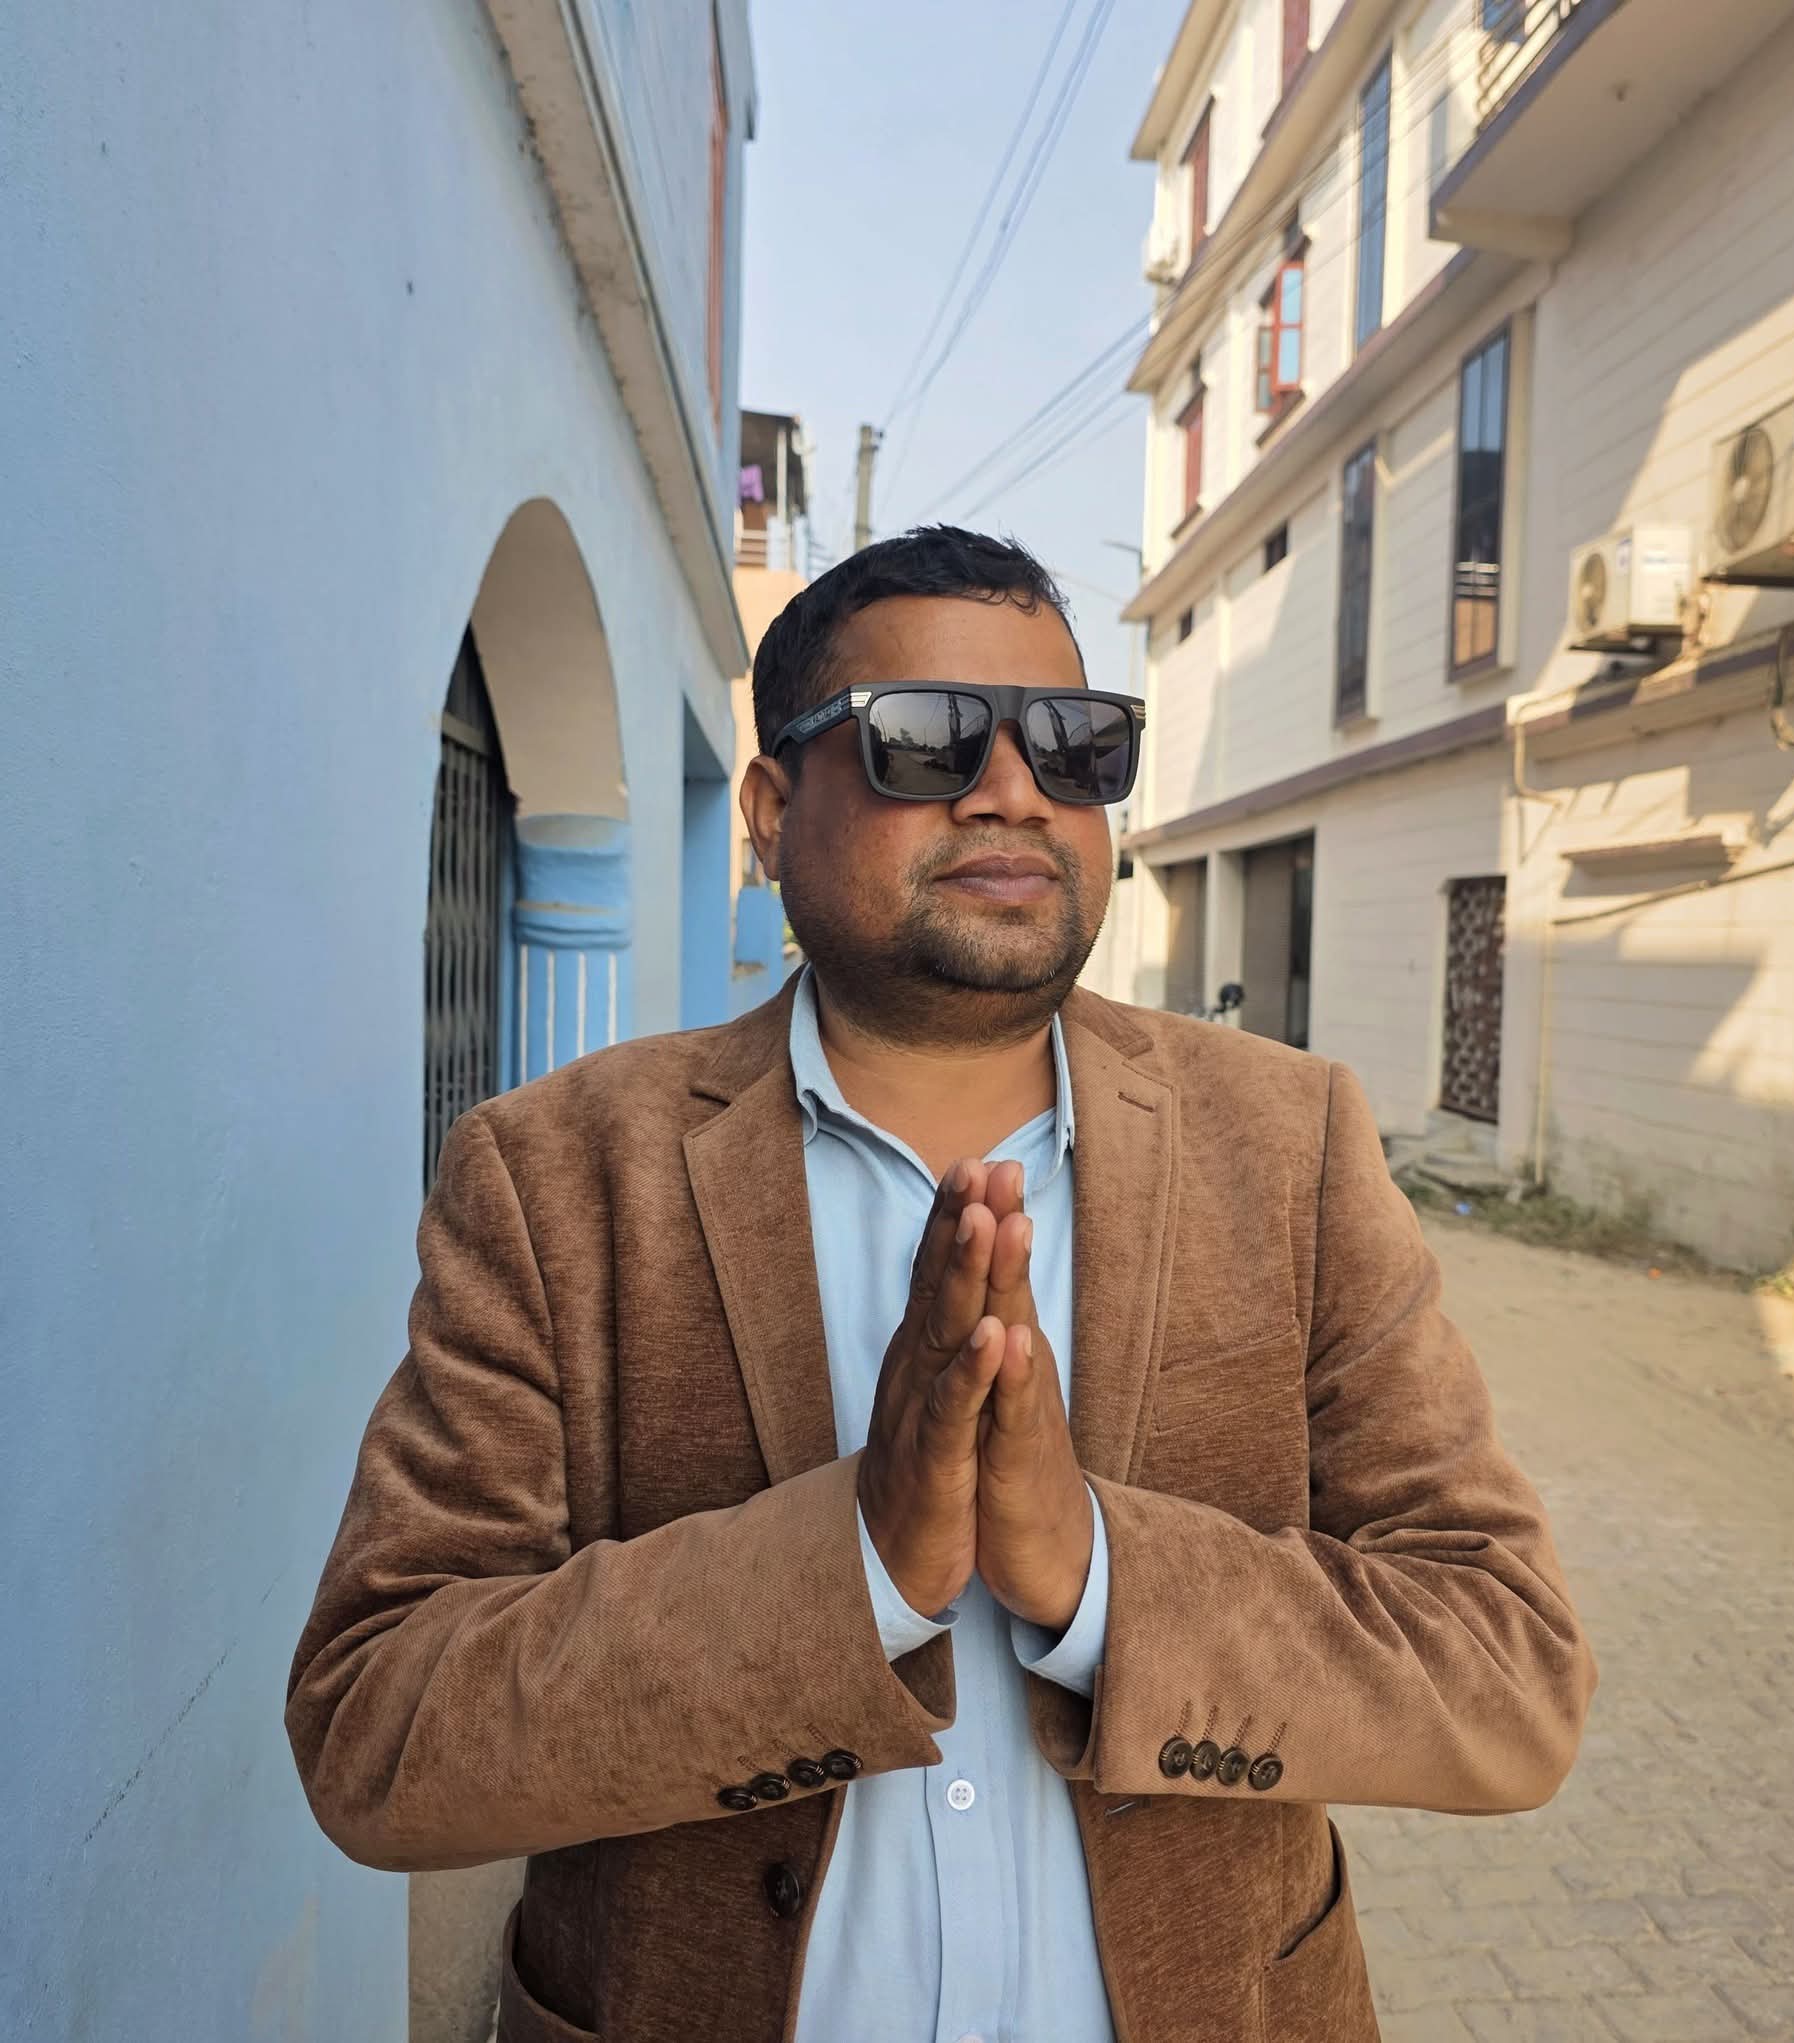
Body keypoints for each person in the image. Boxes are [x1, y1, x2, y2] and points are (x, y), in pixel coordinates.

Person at [287, 526, 1596, 2043]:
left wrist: (1096, 1574)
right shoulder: (560, 1176)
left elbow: (1509, 1675)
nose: (1013, 791)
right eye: (925, 738)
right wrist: (854, 1564)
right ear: (770, 812)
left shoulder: (1288, 1144)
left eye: (1073, 743)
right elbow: (379, 1730)